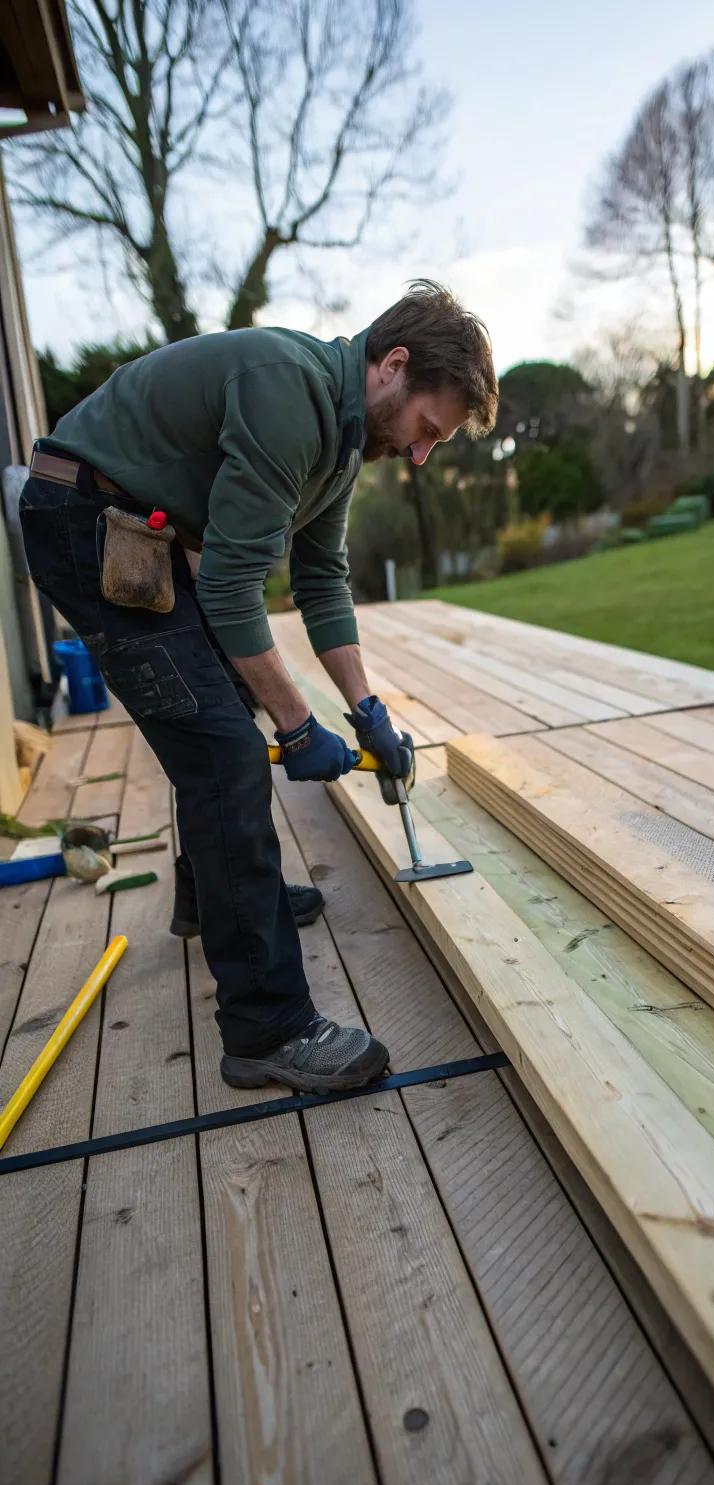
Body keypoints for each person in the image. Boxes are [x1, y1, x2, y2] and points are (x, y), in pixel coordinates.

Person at [20, 280, 498, 1092]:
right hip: (86, 520)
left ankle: (214, 903)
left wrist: (365, 710)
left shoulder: (344, 438)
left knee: (217, 713)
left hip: (135, 524)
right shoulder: (291, 393)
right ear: (393, 365)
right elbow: (235, 588)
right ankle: (266, 1027)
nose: (421, 454)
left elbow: (321, 580)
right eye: (426, 430)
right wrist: (298, 726)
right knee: (225, 751)